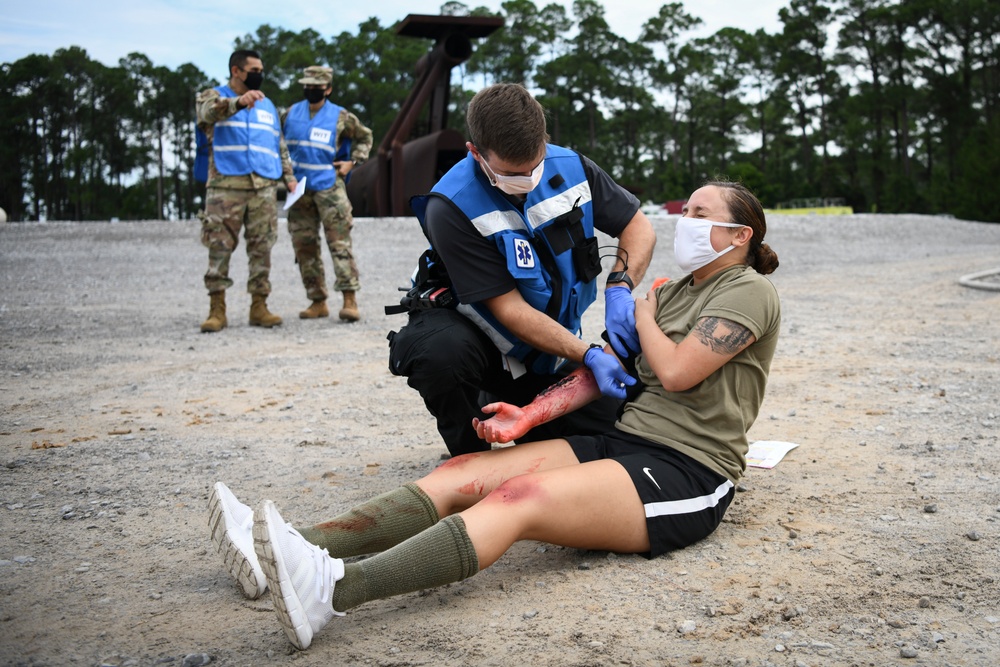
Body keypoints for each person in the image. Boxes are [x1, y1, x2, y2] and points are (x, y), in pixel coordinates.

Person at [208, 180, 781, 650]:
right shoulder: (675, 292)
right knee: (465, 474)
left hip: (688, 470)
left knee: (515, 500)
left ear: (739, 235)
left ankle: (335, 590)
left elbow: (679, 371)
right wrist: (531, 414)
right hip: (626, 439)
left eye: (701, 213)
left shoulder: (748, 290)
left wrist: (642, 307)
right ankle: (289, 548)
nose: (684, 220)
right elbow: (603, 370)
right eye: (688, 210)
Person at [387, 83, 657, 458]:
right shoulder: (450, 206)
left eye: (536, 165)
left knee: (619, 438)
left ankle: (526, 410)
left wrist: (619, 285)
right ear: (475, 152)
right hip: (486, 346)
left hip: (551, 351)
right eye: (513, 174)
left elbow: (638, 226)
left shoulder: (572, 167)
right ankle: (470, 457)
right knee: (441, 355)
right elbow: (509, 310)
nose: (528, 180)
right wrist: (590, 354)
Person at [196, 49, 297, 333]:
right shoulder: (211, 96)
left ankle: (259, 306)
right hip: (226, 186)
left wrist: (288, 178)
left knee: (262, 248)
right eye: (254, 69)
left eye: (261, 69)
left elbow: (278, 146)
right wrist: (238, 102)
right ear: (236, 71)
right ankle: (217, 310)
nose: (259, 74)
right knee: (219, 248)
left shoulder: (268, 106)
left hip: (264, 188)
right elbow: (206, 114)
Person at [281, 66, 374, 322]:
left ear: (328, 89)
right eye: (307, 87)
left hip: (330, 188)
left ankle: (349, 300)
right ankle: (317, 301)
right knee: (304, 246)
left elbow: (365, 137)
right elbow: (276, 142)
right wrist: (285, 174)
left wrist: (353, 162)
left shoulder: (340, 116)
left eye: (317, 88)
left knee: (339, 245)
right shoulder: (289, 114)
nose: (311, 91)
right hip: (299, 190)